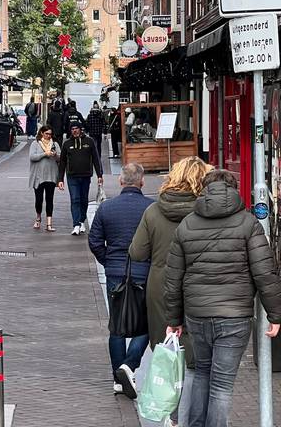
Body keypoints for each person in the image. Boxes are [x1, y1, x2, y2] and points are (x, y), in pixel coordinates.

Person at [165, 170, 281, 427]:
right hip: (234, 315)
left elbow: (173, 277)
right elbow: (264, 272)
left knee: (203, 374)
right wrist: (275, 314)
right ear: (234, 189)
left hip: (197, 314)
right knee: (222, 385)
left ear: (203, 190)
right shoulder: (248, 223)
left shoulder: (187, 224)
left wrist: (173, 318)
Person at [129, 156, 212, 424]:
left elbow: (137, 252)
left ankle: (172, 415)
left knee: (167, 351)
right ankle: (191, 415)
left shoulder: (153, 211)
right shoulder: (205, 212)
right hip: (197, 285)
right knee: (196, 358)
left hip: (161, 286)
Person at [88, 163, 152, 397]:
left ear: (121, 181)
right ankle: (130, 364)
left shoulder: (106, 208)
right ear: (142, 182)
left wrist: (108, 262)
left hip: (116, 273)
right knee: (145, 323)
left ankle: (118, 377)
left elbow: (95, 241)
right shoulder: (151, 209)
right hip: (145, 273)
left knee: (117, 324)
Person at [58, 121, 103, 236]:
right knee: (75, 199)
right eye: (72, 129)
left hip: (86, 175)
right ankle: (76, 224)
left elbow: (96, 159)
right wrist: (60, 179)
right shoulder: (67, 144)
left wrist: (99, 175)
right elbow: (62, 162)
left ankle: (82, 220)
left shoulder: (89, 141)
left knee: (83, 200)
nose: (74, 131)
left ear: (80, 129)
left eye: (76, 128)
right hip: (72, 176)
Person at [29, 125, 61, 232]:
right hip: (38, 176)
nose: (48, 136)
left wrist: (55, 155)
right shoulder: (35, 143)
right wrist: (44, 154)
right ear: (42, 133)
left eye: (50, 134)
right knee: (39, 199)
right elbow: (32, 157)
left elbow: (60, 158)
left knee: (50, 199)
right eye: (46, 133)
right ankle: (38, 217)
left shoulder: (55, 144)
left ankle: (49, 224)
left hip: (51, 175)